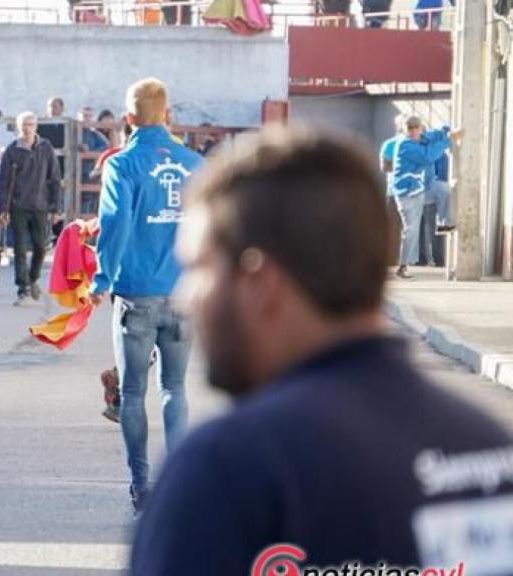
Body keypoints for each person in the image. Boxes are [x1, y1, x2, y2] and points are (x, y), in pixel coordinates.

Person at [131, 126, 513, 575]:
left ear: (260, 281)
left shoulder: (227, 470)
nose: (184, 298)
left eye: (197, 268)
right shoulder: (489, 450)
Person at [85, 78, 202, 513]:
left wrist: (101, 279)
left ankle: (141, 486)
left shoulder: (122, 164)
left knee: (132, 393)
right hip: (183, 293)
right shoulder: (196, 164)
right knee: (175, 386)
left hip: (136, 292)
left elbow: (115, 223)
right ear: (167, 115)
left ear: (129, 119)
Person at [0, 111, 63, 306]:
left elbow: (55, 178)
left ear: (36, 127)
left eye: (31, 124)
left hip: (41, 205)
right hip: (18, 205)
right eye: (24, 124)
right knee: (19, 247)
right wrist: (3, 209)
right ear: (19, 127)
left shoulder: (45, 147)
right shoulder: (12, 151)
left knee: (41, 246)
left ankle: (33, 278)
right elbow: (4, 182)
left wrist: (56, 207)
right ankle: (22, 289)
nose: (28, 128)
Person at [391, 116, 458, 279]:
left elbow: (433, 134)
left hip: (423, 189)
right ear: (405, 130)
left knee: (443, 189)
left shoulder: (421, 137)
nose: (414, 132)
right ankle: (403, 266)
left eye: (417, 128)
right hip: (408, 194)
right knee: (411, 229)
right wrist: (448, 141)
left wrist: (446, 130)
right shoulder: (405, 145)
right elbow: (428, 156)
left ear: (421, 128)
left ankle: (444, 224)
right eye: (410, 129)